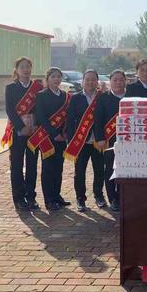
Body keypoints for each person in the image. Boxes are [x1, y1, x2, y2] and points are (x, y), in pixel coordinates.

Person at [2, 57, 42, 211]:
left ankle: (31, 197)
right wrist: (21, 126)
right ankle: (19, 198)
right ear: (17, 70)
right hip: (17, 131)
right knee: (17, 165)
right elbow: (9, 110)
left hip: (33, 131)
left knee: (32, 165)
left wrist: (36, 124)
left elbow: (40, 108)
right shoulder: (11, 88)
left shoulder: (37, 87)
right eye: (22, 67)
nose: (26, 70)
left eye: (28, 67)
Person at [65, 69, 106, 212]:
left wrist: (103, 137)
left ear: (97, 81)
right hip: (81, 141)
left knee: (99, 170)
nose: (90, 82)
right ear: (82, 81)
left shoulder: (102, 97)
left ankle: (99, 196)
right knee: (80, 172)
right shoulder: (75, 98)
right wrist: (71, 140)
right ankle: (80, 199)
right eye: (87, 79)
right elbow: (70, 121)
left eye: (93, 79)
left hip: (98, 141)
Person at [31, 67, 71, 211]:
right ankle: (49, 200)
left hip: (62, 137)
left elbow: (68, 117)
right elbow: (41, 117)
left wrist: (65, 133)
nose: (56, 79)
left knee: (58, 168)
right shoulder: (41, 95)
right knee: (48, 169)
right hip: (47, 137)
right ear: (47, 79)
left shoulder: (65, 96)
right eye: (53, 76)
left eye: (58, 76)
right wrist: (54, 134)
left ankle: (56, 195)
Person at [94, 69, 127, 212]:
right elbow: (98, 120)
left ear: (125, 81)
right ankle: (113, 198)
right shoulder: (103, 98)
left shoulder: (130, 97)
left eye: (121, 80)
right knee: (110, 169)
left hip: (128, 141)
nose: (118, 82)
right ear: (110, 81)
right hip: (109, 140)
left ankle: (123, 196)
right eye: (115, 80)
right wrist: (100, 138)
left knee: (125, 169)